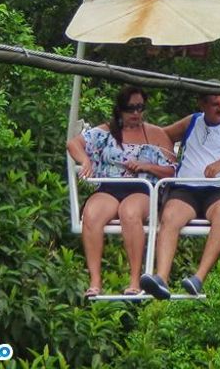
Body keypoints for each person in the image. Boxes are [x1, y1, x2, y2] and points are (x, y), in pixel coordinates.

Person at [139, 93, 220, 299]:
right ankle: (162, 278)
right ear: (202, 104)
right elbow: (162, 135)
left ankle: (198, 278)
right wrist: (128, 128)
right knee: (169, 216)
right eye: (215, 104)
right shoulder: (193, 121)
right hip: (186, 189)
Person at [67, 84, 176, 297]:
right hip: (110, 186)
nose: (136, 113)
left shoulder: (156, 134)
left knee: (130, 212)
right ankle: (95, 281)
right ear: (120, 109)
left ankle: (135, 280)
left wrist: (147, 166)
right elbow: (73, 144)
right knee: (91, 214)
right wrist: (85, 160)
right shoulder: (106, 132)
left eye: (140, 108)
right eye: (130, 108)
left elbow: (172, 170)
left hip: (141, 188)